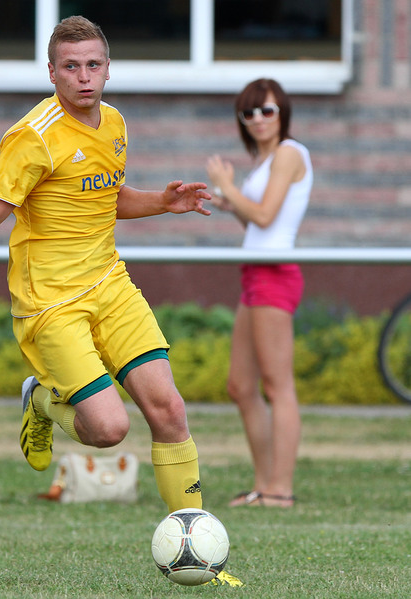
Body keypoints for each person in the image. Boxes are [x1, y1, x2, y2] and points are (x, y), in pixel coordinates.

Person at [0, 16, 241, 586]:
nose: (83, 77)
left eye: (93, 65)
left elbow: (106, 200)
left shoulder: (114, 122)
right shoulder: (33, 137)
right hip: (51, 304)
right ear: (52, 72)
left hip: (111, 285)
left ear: (108, 69)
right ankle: (41, 401)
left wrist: (161, 202)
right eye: (71, 66)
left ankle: (193, 547)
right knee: (110, 429)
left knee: (168, 410)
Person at [205, 78, 312, 509]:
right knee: (240, 385)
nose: (258, 120)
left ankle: (279, 491)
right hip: (255, 272)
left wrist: (228, 188)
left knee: (276, 384)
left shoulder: (290, 153)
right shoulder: (264, 161)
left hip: (275, 274)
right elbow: (257, 224)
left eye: (266, 111)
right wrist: (232, 204)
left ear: (282, 111)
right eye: (248, 113)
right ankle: (263, 484)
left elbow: (267, 218)